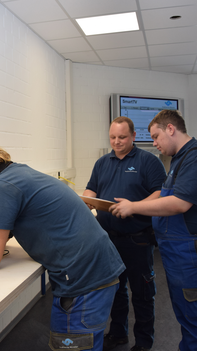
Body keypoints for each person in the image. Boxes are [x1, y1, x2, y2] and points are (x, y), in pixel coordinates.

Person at [0, 139, 125, 351]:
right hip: (98, 268)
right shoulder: (18, 174)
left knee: (71, 346)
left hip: (84, 280)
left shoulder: (2, 186)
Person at [110, 110, 197, 351]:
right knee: (185, 314)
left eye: (156, 136)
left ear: (171, 129)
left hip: (187, 254)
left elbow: (180, 203)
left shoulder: (193, 157)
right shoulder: (179, 158)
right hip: (175, 253)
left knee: (192, 316)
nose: (154, 143)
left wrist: (133, 207)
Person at [83, 117, 166, 351]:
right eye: (112, 137)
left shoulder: (148, 161)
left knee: (142, 293)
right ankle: (118, 333)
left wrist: (134, 206)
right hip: (107, 239)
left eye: (122, 137)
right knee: (113, 290)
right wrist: (86, 199)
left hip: (137, 239)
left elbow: (161, 194)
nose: (116, 142)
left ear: (133, 137)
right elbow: (92, 188)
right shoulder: (102, 163)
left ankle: (143, 342)